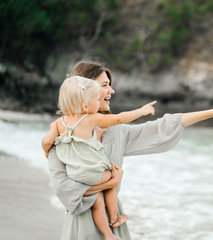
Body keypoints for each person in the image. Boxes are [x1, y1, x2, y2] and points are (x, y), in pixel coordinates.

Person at [47, 60, 213, 240]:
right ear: (83, 91)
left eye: (110, 85)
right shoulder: (63, 137)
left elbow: (163, 127)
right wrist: (112, 182)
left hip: (114, 224)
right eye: (105, 85)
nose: (111, 91)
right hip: (80, 225)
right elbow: (64, 191)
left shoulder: (117, 132)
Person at [42, 75, 157, 240]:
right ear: (85, 105)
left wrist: (47, 152)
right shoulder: (90, 118)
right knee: (111, 179)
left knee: (97, 202)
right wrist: (142, 111)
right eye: (97, 99)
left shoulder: (58, 123)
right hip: (93, 172)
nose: (99, 103)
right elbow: (118, 118)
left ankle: (107, 234)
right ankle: (114, 218)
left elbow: (46, 141)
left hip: (75, 175)